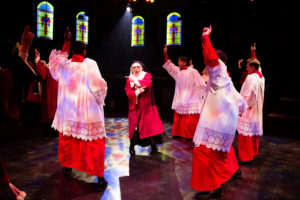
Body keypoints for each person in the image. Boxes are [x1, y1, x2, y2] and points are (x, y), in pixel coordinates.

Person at [48, 27, 108, 191]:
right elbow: (98, 86)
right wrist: (101, 99)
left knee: (68, 140)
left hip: (68, 110)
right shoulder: (90, 64)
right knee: (93, 143)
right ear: (85, 50)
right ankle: (99, 178)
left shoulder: (64, 65)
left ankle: (67, 167)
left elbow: (55, 61)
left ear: (73, 50)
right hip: (86, 112)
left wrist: (66, 42)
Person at [191, 25, 247, 199]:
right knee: (222, 151)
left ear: (219, 62)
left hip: (215, 123)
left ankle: (213, 188)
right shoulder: (226, 80)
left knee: (202, 152)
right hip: (224, 124)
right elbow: (241, 102)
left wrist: (205, 38)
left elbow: (211, 58)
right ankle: (233, 171)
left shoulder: (217, 73)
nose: (207, 67)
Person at [162, 45, 206, 139]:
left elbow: (200, 83)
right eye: (178, 61)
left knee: (190, 119)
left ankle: (190, 134)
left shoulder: (192, 71)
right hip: (180, 96)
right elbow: (169, 65)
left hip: (191, 97)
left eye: (180, 61)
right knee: (179, 117)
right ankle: (179, 133)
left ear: (185, 62)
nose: (178, 62)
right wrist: (165, 53)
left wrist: (199, 94)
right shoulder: (178, 71)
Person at [125, 61, 165, 155]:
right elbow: (128, 92)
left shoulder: (147, 75)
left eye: (138, 67)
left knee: (151, 126)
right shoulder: (129, 80)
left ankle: (153, 145)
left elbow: (148, 83)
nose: (136, 69)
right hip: (136, 106)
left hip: (147, 106)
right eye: (134, 68)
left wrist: (135, 83)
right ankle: (132, 146)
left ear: (141, 68)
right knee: (136, 127)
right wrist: (137, 91)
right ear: (132, 69)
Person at [236, 55, 265, 163]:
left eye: (248, 66)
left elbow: (249, 96)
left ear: (253, 68)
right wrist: (253, 54)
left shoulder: (252, 78)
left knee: (245, 134)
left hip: (249, 110)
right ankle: (251, 153)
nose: (246, 68)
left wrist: (241, 108)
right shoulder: (260, 76)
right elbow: (259, 65)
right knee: (251, 133)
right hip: (256, 110)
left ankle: (246, 157)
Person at [34, 48, 59, 136]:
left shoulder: (56, 70)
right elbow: (42, 73)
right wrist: (39, 60)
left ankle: (54, 130)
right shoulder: (49, 69)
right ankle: (52, 130)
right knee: (52, 112)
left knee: (54, 112)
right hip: (52, 95)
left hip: (56, 96)